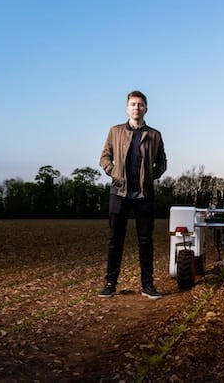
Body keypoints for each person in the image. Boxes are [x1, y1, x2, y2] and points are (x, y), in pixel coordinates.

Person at [98, 90, 167, 299]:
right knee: (115, 240)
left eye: (140, 104)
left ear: (146, 108)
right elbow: (104, 157)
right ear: (127, 108)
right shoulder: (115, 131)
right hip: (119, 193)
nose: (136, 107)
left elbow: (162, 162)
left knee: (145, 241)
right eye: (133, 104)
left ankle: (147, 285)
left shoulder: (154, 135)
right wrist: (114, 172)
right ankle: (110, 283)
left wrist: (150, 177)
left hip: (144, 196)